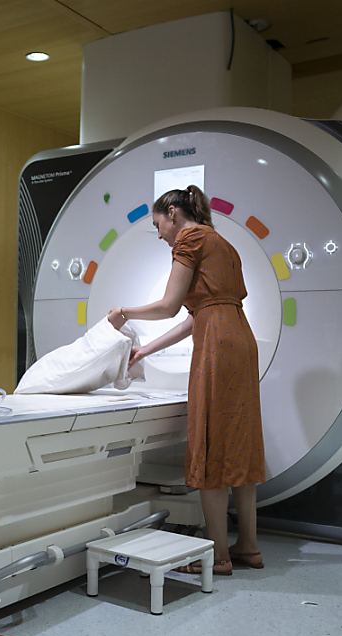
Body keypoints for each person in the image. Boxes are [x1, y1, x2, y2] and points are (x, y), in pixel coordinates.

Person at [108, 185, 265, 576]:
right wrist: (145, 350)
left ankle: (218, 556)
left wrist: (123, 312)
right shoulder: (222, 244)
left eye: (158, 225)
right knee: (239, 443)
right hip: (239, 338)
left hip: (217, 344)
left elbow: (169, 306)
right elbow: (198, 314)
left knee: (210, 441)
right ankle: (248, 546)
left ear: (173, 213)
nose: (161, 235)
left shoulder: (190, 238)